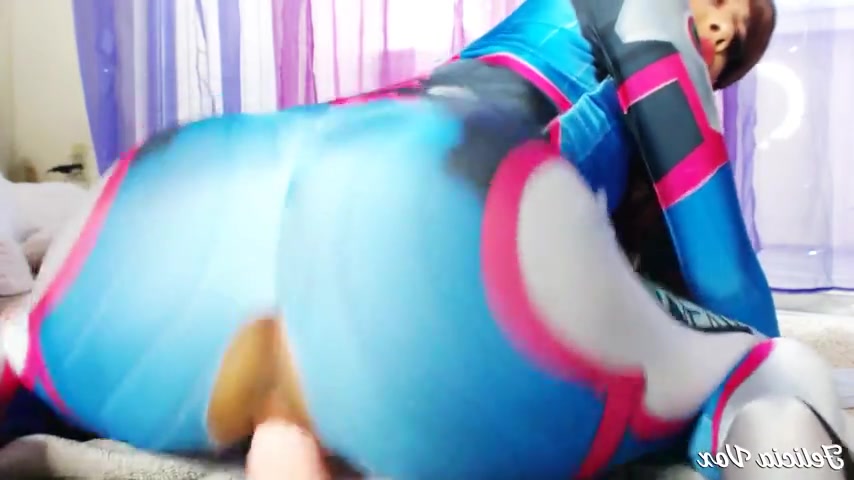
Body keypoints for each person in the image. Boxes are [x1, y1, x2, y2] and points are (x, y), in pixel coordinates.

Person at [244, 0, 779, 478]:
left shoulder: (590, 90)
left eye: (735, 44)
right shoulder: (646, 17)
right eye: (719, 2)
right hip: (440, 195)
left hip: (312, 176)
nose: (722, 31)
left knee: (305, 400)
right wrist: (767, 360)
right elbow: (721, 266)